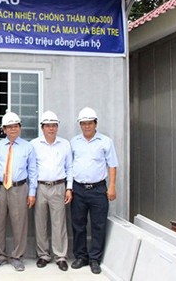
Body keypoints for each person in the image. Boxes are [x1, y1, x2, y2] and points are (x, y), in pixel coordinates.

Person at [70, 107, 118, 275]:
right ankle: (81, 256)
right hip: (78, 189)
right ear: (80, 125)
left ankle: (95, 258)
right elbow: (70, 166)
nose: (86, 126)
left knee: (98, 225)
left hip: (98, 190)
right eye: (83, 123)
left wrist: (112, 186)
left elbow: (112, 164)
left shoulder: (105, 142)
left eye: (89, 123)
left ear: (95, 124)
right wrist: (70, 188)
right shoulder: (74, 142)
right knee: (78, 224)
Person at [0, 111, 37, 272]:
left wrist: (32, 192)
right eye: (9, 127)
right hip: (0, 189)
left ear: (20, 128)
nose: (13, 130)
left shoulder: (28, 147)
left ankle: (17, 256)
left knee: (20, 224)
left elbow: (33, 171)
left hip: (20, 188)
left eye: (16, 126)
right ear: (4, 129)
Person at [30, 111, 73, 272]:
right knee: (40, 222)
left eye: (54, 125)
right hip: (40, 186)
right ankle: (43, 255)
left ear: (57, 127)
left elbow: (70, 167)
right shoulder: (34, 144)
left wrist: (69, 188)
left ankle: (60, 256)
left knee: (59, 222)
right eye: (48, 125)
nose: (51, 128)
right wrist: (32, 192)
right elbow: (32, 170)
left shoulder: (65, 144)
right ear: (42, 127)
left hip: (58, 186)